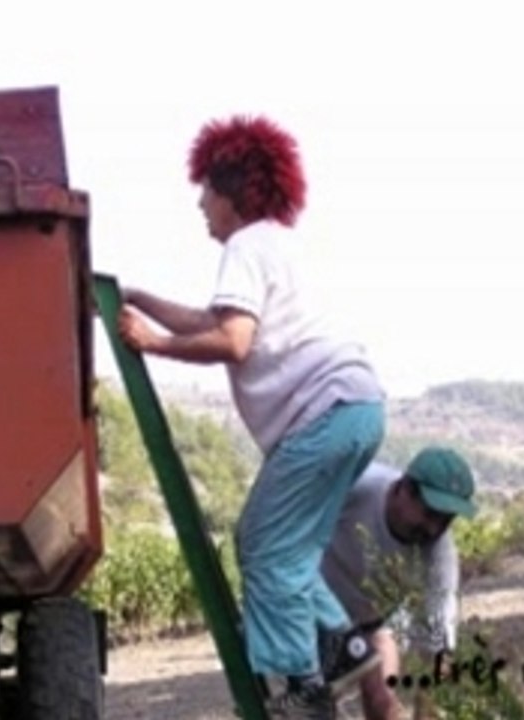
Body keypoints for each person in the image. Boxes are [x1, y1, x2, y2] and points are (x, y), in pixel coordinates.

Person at [117, 115, 386, 719]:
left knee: (262, 545)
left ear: (232, 192)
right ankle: (345, 645)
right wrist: (139, 299)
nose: (200, 204)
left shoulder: (246, 245)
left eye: (206, 190)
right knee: (292, 551)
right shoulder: (277, 244)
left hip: (324, 414)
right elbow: (213, 320)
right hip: (359, 410)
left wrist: (153, 344)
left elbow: (232, 340)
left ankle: (304, 684)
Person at [320, 446, 478, 720]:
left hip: (371, 623)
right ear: (403, 489)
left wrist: (434, 706)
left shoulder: (439, 555)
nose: (433, 529)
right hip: (310, 605)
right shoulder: (357, 486)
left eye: (446, 521)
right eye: (429, 514)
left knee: (382, 702)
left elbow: (437, 643)